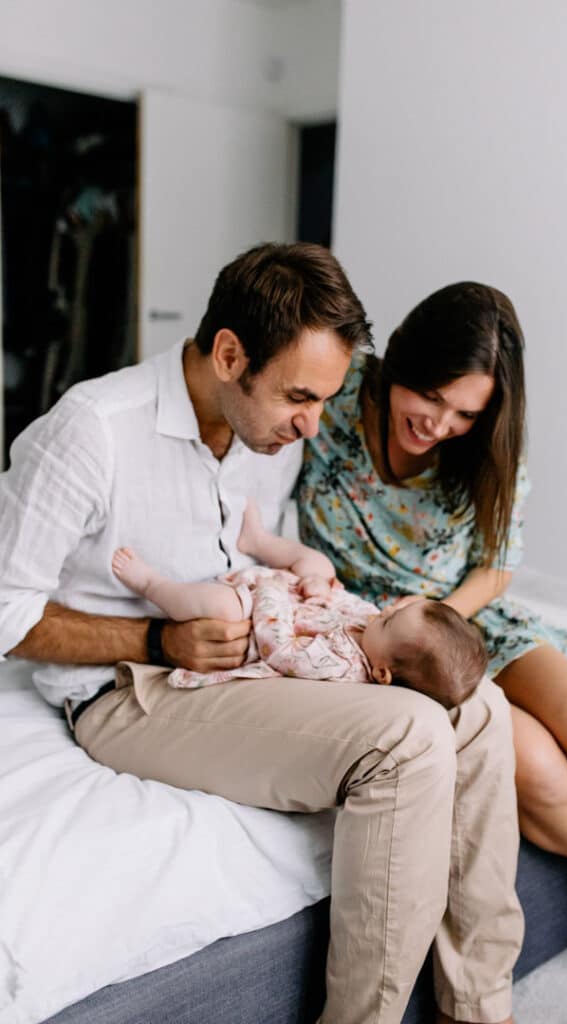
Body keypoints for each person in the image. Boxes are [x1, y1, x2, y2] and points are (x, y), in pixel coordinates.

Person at [0, 244, 523, 1024]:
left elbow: (266, 558)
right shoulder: (90, 432)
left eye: (325, 398)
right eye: (299, 397)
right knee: (410, 736)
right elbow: (7, 613)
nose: (315, 423)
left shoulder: (269, 439)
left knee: (479, 710)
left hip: (246, 671)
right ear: (229, 354)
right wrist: (152, 640)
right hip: (134, 692)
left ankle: (477, 1011)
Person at [296, 280, 567, 1024]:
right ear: (404, 359)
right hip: (395, 640)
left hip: (464, 617)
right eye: (431, 397)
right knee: (530, 766)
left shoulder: (482, 445)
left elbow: (497, 563)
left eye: (463, 413)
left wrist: (441, 610)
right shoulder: (335, 407)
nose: (437, 424)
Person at [111, 498, 487, 709]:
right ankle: (256, 541)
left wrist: (271, 591)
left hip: (255, 621)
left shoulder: (341, 666)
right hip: (292, 596)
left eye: (391, 621)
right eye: (398, 608)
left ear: (381, 674)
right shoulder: (375, 631)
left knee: (220, 607)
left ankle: (151, 584)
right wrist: (320, 589)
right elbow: (343, 602)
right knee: (320, 565)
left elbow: (280, 649)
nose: (385, 610)